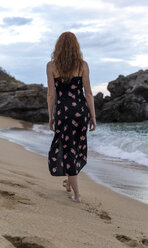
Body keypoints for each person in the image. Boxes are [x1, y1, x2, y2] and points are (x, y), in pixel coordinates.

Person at [46, 31, 96, 203]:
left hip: (63, 112)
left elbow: (51, 94)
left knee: (66, 149)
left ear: (58, 47)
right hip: (81, 111)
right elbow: (88, 93)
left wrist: (50, 115)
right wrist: (93, 116)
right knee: (77, 146)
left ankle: (77, 194)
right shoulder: (83, 65)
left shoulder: (51, 66)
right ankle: (69, 183)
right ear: (76, 47)